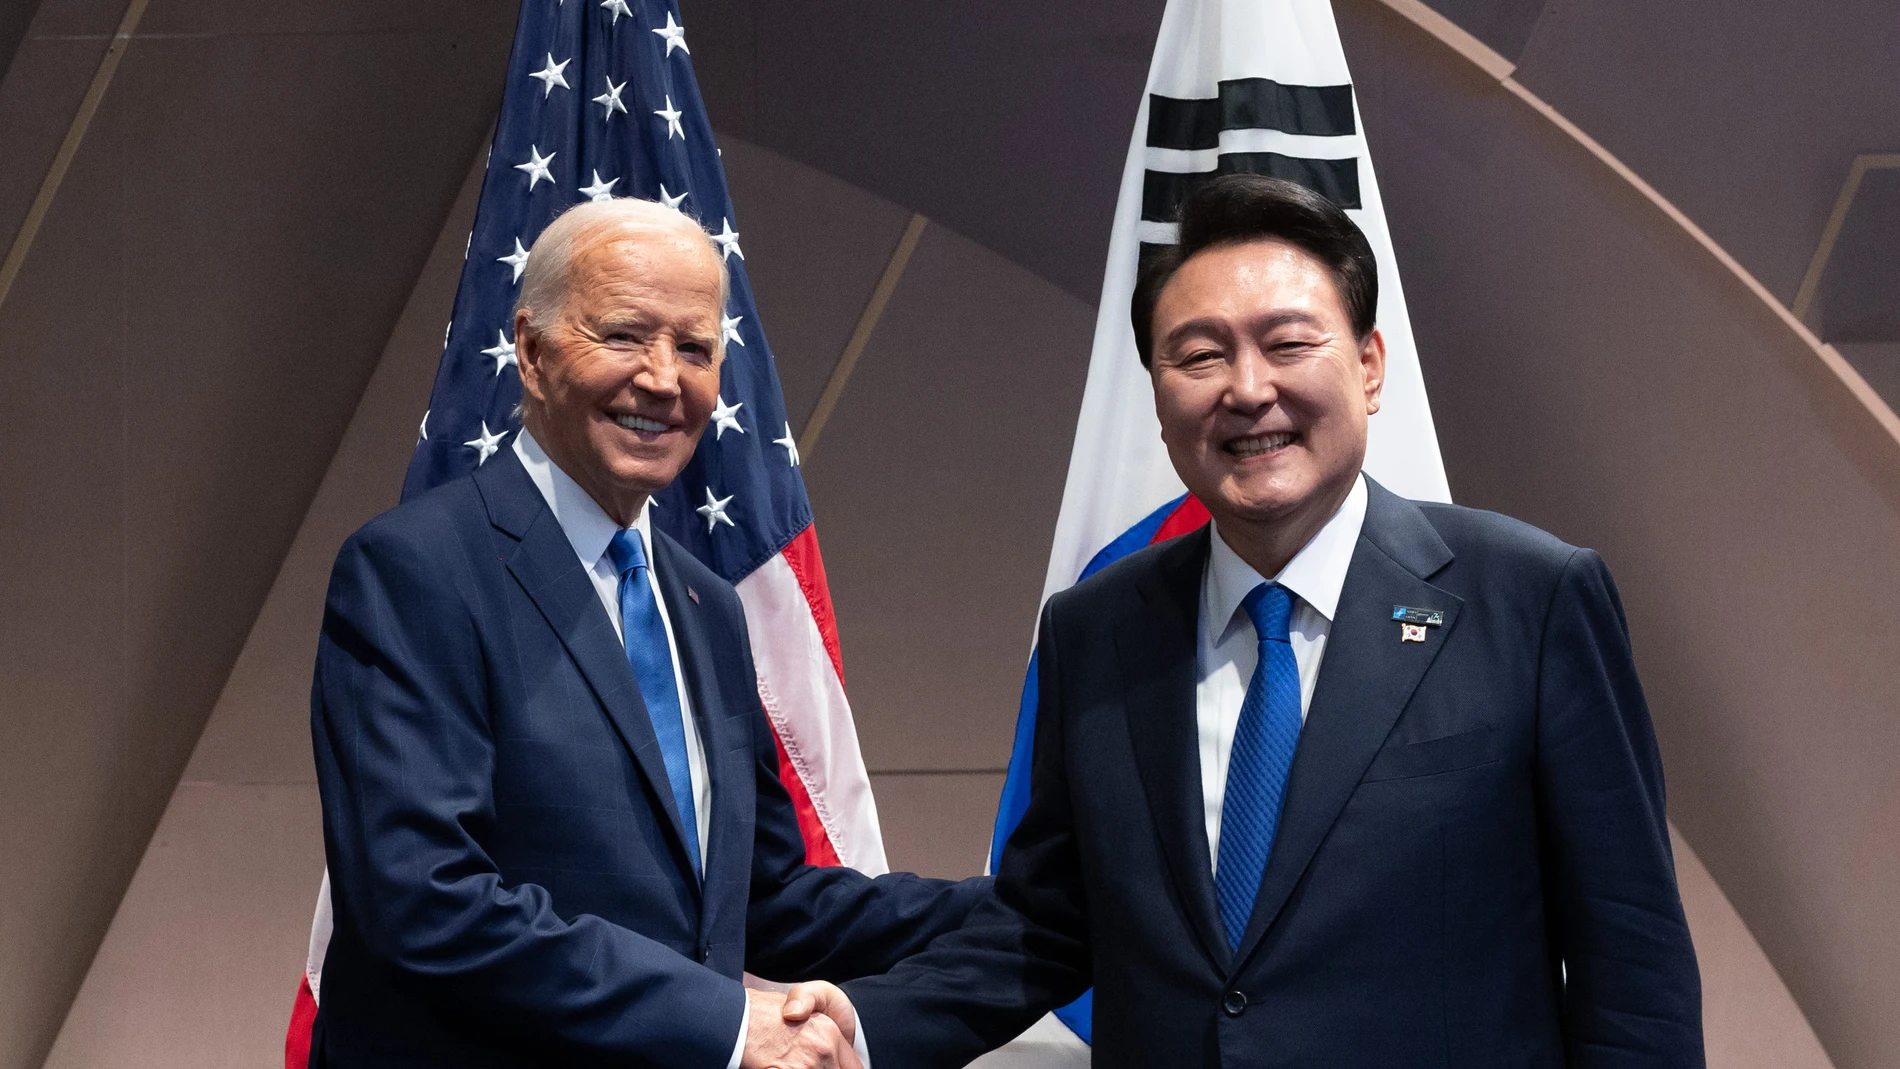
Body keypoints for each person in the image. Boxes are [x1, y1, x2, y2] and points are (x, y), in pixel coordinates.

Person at [810, 175, 1705, 1067]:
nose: (1246, 389)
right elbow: (1045, 924)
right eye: (1199, 356)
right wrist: (860, 1026)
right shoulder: (1097, 629)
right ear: (1157, 395)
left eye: (1288, 344)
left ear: (1370, 365)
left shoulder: (1530, 599)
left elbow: (1632, 966)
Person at [308, 198, 985, 1068]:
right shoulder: (416, 570)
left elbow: (764, 900)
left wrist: (1019, 903)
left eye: (695, 349)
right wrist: (728, 1024)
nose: (664, 379)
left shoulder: (708, 606)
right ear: (531, 352)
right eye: (625, 335)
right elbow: (425, 900)